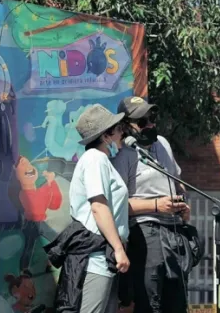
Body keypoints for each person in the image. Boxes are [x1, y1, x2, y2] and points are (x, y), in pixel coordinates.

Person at [115, 96, 195, 313]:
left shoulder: (164, 143)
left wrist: (182, 203)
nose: (150, 124)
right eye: (142, 122)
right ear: (125, 126)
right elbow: (118, 206)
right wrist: (157, 206)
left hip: (174, 230)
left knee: (177, 302)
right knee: (151, 303)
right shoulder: (123, 157)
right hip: (146, 232)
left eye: (152, 118)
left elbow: (178, 183)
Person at [68, 104, 130, 313]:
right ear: (106, 135)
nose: (122, 132)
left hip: (105, 255)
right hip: (97, 257)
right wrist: (119, 249)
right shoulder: (96, 159)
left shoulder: (100, 160)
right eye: (118, 128)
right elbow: (98, 206)